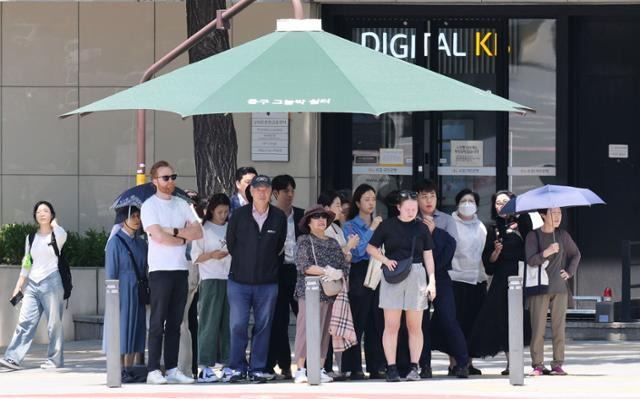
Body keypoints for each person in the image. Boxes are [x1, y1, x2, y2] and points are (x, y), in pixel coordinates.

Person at [141, 160, 203, 384]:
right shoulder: (149, 206)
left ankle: (173, 367)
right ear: (154, 181)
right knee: (158, 321)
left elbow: (198, 232)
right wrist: (180, 237)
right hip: (159, 270)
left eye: (173, 177)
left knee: (176, 321)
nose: (170, 181)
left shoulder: (182, 204)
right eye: (165, 178)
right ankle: (152, 370)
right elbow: (157, 236)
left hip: (180, 269)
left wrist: (175, 232)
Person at [366, 190, 436, 382]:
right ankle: (391, 367)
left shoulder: (421, 228)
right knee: (391, 326)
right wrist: (385, 260)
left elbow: (428, 255)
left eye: (414, 209)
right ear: (398, 207)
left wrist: (432, 281)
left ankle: (415, 367)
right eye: (407, 209)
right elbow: (370, 247)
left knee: (415, 326)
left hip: (417, 273)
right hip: (393, 275)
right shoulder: (387, 226)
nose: (411, 212)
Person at [225, 175, 287, 383]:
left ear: (271, 192)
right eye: (257, 188)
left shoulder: (279, 217)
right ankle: (236, 367)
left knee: (263, 326)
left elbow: (279, 246)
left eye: (265, 189)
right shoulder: (239, 215)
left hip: (267, 283)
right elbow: (231, 244)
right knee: (237, 325)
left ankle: (257, 368)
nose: (262, 192)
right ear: (250, 191)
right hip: (239, 281)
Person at [468, 190, 532, 375]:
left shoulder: (523, 221)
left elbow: (531, 245)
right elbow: (489, 263)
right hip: (502, 278)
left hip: (521, 274)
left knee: (520, 318)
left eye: (505, 201)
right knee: (498, 318)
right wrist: (496, 251)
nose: (501, 205)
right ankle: (501, 361)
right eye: (497, 203)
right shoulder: (492, 227)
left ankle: (518, 362)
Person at [0, 201, 67, 370]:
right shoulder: (30, 238)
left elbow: (61, 231)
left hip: (52, 282)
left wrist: (55, 223)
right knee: (25, 321)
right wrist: (18, 286)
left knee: (54, 324)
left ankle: (55, 360)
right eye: (38, 211)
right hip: (32, 284)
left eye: (46, 211)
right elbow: (27, 263)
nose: (42, 214)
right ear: (35, 216)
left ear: (51, 214)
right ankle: (12, 358)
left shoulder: (57, 235)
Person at [415, 179, 470, 379]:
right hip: (416, 276)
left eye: (432, 196)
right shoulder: (412, 218)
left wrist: (432, 234)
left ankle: (463, 362)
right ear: (417, 198)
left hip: (441, 275)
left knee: (448, 318)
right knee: (419, 322)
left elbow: (450, 250)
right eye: (424, 196)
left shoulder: (446, 220)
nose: (429, 200)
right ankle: (424, 365)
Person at [292, 205, 349, 384]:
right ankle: (300, 369)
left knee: (325, 331)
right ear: (308, 222)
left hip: (330, 293)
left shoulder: (333, 242)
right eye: (316, 217)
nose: (321, 220)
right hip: (308, 291)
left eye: (324, 217)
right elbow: (304, 266)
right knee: (304, 330)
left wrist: (340, 270)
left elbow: (343, 265)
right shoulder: (303, 240)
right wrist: (328, 271)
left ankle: (320, 367)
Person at [525, 208, 581, 376]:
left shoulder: (563, 235)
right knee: (538, 328)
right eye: (553, 213)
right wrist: (547, 252)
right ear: (543, 215)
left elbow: (576, 254)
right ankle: (538, 364)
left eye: (559, 213)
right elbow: (531, 260)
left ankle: (558, 363)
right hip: (539, 288)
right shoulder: (532, 236)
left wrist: (569, 272)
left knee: (559, 328)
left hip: (560, 288)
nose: (557, 217)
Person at [341, 184, 386, 380]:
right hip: (360, 273)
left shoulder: (381, 224)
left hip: (378, 273)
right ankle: (354, 367)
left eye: (373, 199)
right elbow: (358, 252)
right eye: (366, 199)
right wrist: (373, 228)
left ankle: (376, 366)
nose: (370, 203)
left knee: (376, 322)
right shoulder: (350, 225)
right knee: (357, 321)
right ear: (358, 202)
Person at [266, 175, 305, 380]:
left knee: (304, 318)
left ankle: (305, 364)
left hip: (300, 272)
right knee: (278, 320)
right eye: (285, 191)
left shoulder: (301, 215)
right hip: (278, 272)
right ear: (275, 194)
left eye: (292, 191)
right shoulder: (270, 215)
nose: (290, 195)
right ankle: (281, 364)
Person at [191, 194, 232, 383]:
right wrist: (212, 256)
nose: (223, 215)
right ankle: (205, 366)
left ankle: (227, 364)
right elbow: (195, 257)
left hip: (230, 278)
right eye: (219, 212)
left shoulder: (231, 228)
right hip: (210, 279)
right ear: (211, 211)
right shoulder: (203, 229)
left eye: (226, 211)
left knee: (228, 324)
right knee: (208, 323)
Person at [317, 190, 359, 378]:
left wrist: (348, 252)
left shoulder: (336, 228)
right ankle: (322, 366)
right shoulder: (323, 229)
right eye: (335, 205)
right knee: (326, 326)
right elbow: (330, 256)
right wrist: (348, 248)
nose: (339, 208)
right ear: (325, 208)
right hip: (326, 284)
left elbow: (342, 256)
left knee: (333, 326)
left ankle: (329, 366)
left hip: (338, 283)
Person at [104, 206, 148, 381]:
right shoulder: (115, 241)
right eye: (133, 216)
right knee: (121, 328)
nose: (137, 220)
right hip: (121, 290)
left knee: (136, 328)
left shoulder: (142, 243)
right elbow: (111, 272)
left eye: (139, 216)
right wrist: (112, 294)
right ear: (124, 219)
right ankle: (118, 368)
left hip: (138, 290)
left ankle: (129, 368)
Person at [449, 188, 487, 375]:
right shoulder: (450, 223)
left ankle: (469, 362)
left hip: (476, 280)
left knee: (472, 323)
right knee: (455, 322)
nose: (467, 204)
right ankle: (454, 362)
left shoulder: (481, 227)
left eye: (471, 201)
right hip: (455, 278)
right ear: (457, 203)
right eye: (463, 200)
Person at [178, 189, 203, 378]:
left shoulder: (194, 221)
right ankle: (186, 366)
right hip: (183, 273)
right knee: (186, 322)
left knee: (186, 322)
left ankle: (188, 367)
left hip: (191, 275)